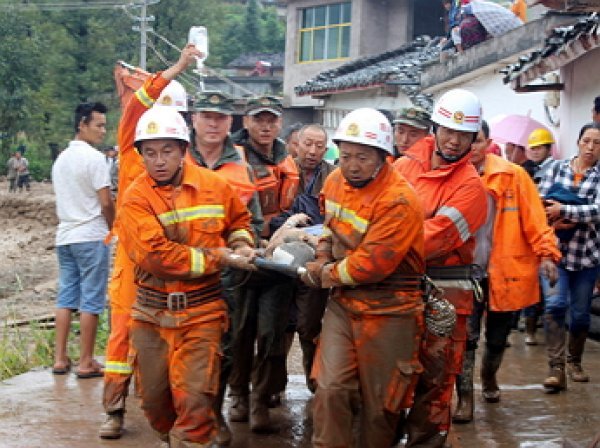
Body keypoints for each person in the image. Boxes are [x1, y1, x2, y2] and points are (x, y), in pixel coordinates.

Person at [118, 105, 256, 447]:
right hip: (151, 315)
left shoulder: (214, 186)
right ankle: (172, 437)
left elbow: (239, 221)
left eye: (167, 151)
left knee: (195, 403)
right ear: (141, 156)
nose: (159, 160)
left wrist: (241, 243)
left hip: (202, 314)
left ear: (183, 150)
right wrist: (218, 257)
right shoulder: (135, 198)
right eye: (150, 153)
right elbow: (157, 257)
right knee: (155, 404)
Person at [302, 108, 425, 447]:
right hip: (344, 304)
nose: (352, 165)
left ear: (383, 157)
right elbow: (329, 227)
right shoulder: (335, 181)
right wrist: (324, 254)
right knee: (330, 389)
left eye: (363, 157)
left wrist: (323, 274)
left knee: (380, 406)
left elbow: (371, 265)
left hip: (390, 309)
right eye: (345, 156)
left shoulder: (398, 200)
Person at [99, 45, 199, 440]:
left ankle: (171, 407)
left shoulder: (185, 161)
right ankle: (114, 407)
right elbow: (139, 103)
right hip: (131, 251)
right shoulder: (131, 144)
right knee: (123, 330)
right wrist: (177, 67)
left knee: (175, 332)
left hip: (170, 254)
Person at [394, 88, 488, 448]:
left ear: (473, 138)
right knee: (391, 374)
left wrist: (376, 245)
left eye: (463, 135)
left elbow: (432, 240)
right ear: (434, 128)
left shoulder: (471, 188)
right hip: (399, 285)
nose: (453, 140)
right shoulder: (403, 166)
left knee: (435, 385)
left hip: (446, 295)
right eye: (448, 130)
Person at [452, 120, 560, 423]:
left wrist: (547, 255)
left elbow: (536, 220)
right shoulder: (449, 175)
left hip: (505, 271)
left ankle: (488, 377)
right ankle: (465, 398)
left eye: (477, 140)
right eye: (466, 139)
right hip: (464, 272)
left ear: (488, 143)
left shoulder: (513, 175)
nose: (471, 146)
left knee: (498, 337)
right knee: (466, 336)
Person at [186, 90, 263, 446]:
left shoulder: (242, 166)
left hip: (228, 276)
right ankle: (183, 420)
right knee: (178, 348)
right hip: (180, 270)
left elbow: (252, 221)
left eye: (220, 117)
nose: (213, 123)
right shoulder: (174, 155)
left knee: (225, 347)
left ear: (230, 123)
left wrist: (244, 244)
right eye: (207, 116)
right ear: (193, 120)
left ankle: (213, 413)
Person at [228, 95, 299, 432]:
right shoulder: (233, 158)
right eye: (259, 119)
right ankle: (239, 393)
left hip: (278, 257)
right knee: (240, 330)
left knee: (272, 332)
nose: (266, 126)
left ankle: (260, 400)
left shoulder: (287, 157)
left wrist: (284, 235)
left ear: (279, 123)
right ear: (246, 122)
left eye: (271, 120)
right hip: (243, 255)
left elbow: (294, 204)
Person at [51, 102, 114, 379]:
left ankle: (60, 358)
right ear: (82, 125)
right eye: (98, 125)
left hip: (65, 236)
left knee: (66, 297)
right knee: (91, 299)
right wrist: (114, 227)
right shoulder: (95, 159)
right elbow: (105, 202)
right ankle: (86, 361)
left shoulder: (61, 159)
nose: (103, 130)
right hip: (90, 236)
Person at [270, 123, 335, 394]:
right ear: (295, 143)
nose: (313, 151)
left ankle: (314, 380)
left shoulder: (334, 176)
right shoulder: (280, 172)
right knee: (279, 325)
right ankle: (274, 385)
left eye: (320, 146)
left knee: (310, 324)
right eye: (307, 143)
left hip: (314, 258)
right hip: (278, 259)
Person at [538, 122, 600, 392]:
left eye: (597, 143)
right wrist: (551, 218)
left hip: (587, 257)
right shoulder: (555, 168)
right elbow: (538, 202)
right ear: (578, 141)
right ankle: (556, 369)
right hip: (555, 254)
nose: (591, 147)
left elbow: (598, 210)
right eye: (586, 141)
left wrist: (564, 210)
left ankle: (574, 360)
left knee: (581, 317)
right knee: (554, 306)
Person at [521, 127, 558, 345]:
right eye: (532, 148)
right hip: (533, 236)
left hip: (550, 234)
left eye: (539, 148)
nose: (535, 152)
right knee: (532, 287)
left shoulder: (555, 169)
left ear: (548, 148)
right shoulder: (527, 171)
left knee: (550, 294)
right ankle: (530, 330)